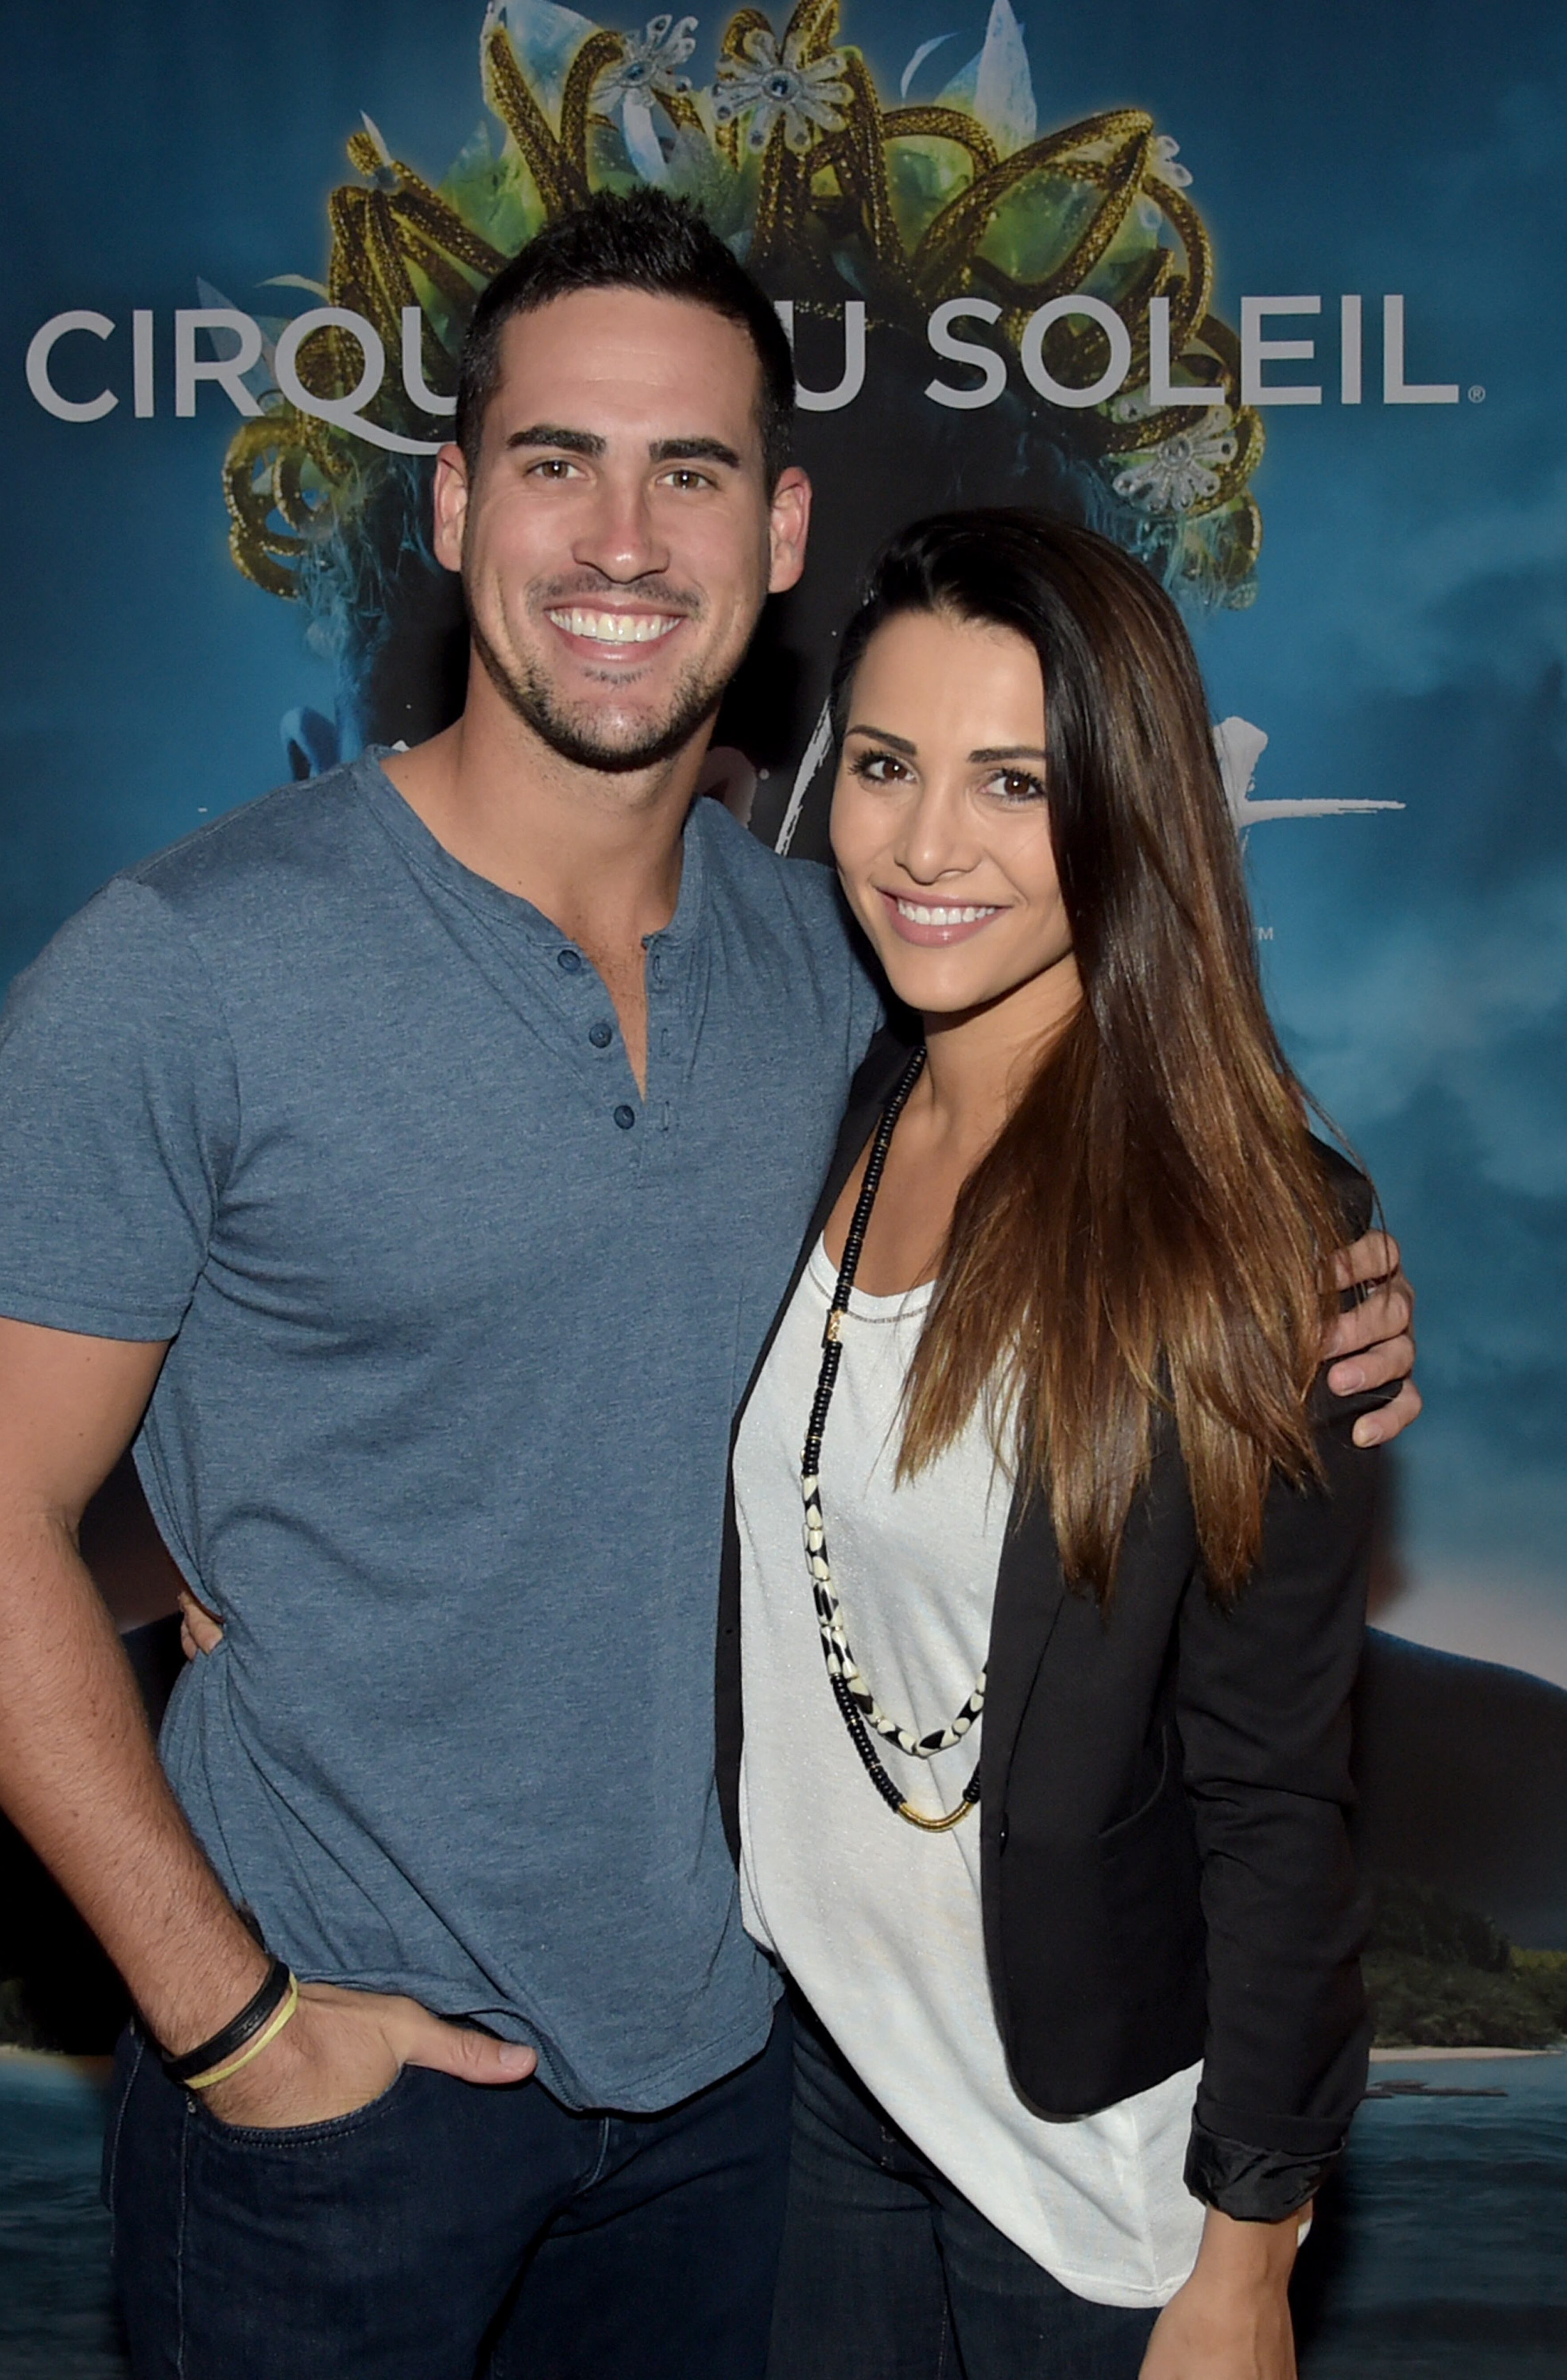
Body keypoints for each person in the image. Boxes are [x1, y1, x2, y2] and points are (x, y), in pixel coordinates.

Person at [0, 194, 1415, 2380]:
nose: (622, 537)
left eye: (689, 470)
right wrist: (231, 2019)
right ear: (450, 507)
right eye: (554, 463)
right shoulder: (184, 974)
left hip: (744, 2108)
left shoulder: (841, 965)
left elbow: (1116, 1163)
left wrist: (1322, 1284)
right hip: (350, 2111)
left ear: (782, 528)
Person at [721, 510, 1393, 2380]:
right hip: (816, 2095)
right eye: (884, 766)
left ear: (1130, 806)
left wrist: (1247, 2257)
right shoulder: (832, 1106)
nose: (928, 846)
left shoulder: (1263, 1241)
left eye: (1014, 783)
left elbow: (1277, 1800)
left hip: (1095, 2185)